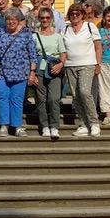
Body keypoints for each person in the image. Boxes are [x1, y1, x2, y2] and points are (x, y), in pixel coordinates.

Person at [0, 7, 37, 137]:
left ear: (18, 20)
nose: (11, 22)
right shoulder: (0, 32)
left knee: (16, 100)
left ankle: (17, 126)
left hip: (20, 73)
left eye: (14, 19)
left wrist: (32, 72)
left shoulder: (26, 33)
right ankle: (4, 125)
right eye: (8, 19)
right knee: (2, 98)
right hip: (2, 73)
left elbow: (32, 54)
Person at [63, 3, 103, 137]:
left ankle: (94, 122)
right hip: (70, 65)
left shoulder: (90, 27)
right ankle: (83, 124)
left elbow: (98, 47)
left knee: (85, 92)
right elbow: (62, 49)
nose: (75, 16)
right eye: (72, 13)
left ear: (82, 15)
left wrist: (98, 64)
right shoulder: (65, 29)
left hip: (87, 64)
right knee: (76, 96)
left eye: (77, 13)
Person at [31, 7, 66, 139]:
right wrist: (32, 73)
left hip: (53, 70)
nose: (45, 20)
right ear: (39, 19)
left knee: (54, 98)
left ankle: (54, 126)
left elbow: (63, 54)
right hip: (39, 69)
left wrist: (60, 65)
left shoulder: (57, 36)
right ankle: (44, 125)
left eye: (47, 17)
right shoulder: (34, 36)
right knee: (41, 99)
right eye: (42, 17)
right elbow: (31, 55)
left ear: (51, 19)